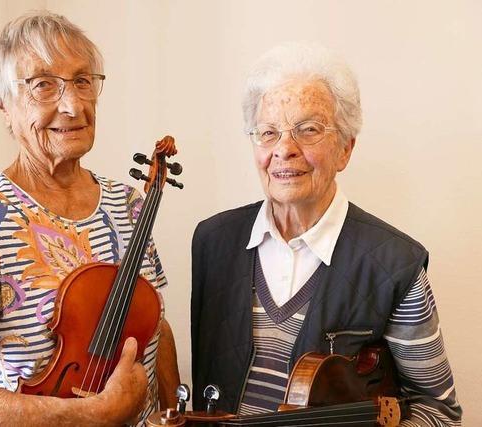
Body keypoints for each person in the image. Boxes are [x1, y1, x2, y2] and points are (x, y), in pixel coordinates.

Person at [0, 11, 179, 426]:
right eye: (43, 85)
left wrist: (171, 411)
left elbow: (157, 329)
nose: (73, 105)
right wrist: (95, 413)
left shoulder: (129, 204)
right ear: (4, 104)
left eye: (82, 81)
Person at [190, 42, 462, 425]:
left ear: (345, 150)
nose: (284, 150)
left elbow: (439, 411)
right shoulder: (212, 241)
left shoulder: (394, 264)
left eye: (308, 130)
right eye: (268, 132)